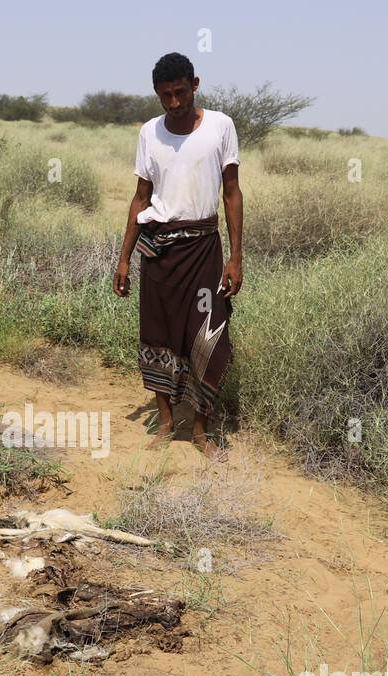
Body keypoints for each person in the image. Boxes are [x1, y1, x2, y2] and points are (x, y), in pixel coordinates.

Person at [113, 52, 243, 462]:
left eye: (180, 93)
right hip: (159, 251)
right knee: (158, 334)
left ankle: (202, 430)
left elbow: (232, 193)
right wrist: (123, 258)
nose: (174, 103)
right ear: (157, 94)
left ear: (196, 85)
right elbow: (140, 198)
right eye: (165, 96)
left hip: (204, 248)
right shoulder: (149, 133)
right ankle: (167, 423)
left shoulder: (220, 126)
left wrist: (236, 257)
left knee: (209, 335)